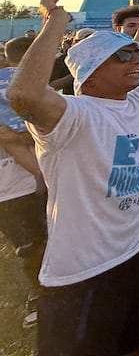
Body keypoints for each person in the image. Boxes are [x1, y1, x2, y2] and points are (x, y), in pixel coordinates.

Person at [8, 0, 139, 356]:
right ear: (89, 71)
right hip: (85, 268)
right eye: (123, 55)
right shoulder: (72, 115)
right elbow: (23, 93)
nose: (137, 59)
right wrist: (56, 22)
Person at [0, 37, 46, 329]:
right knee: (31, 245)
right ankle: (39, 296)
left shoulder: (35, 87)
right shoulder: (21, 86)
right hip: (11, 186)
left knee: (41, 240)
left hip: (30, 179)